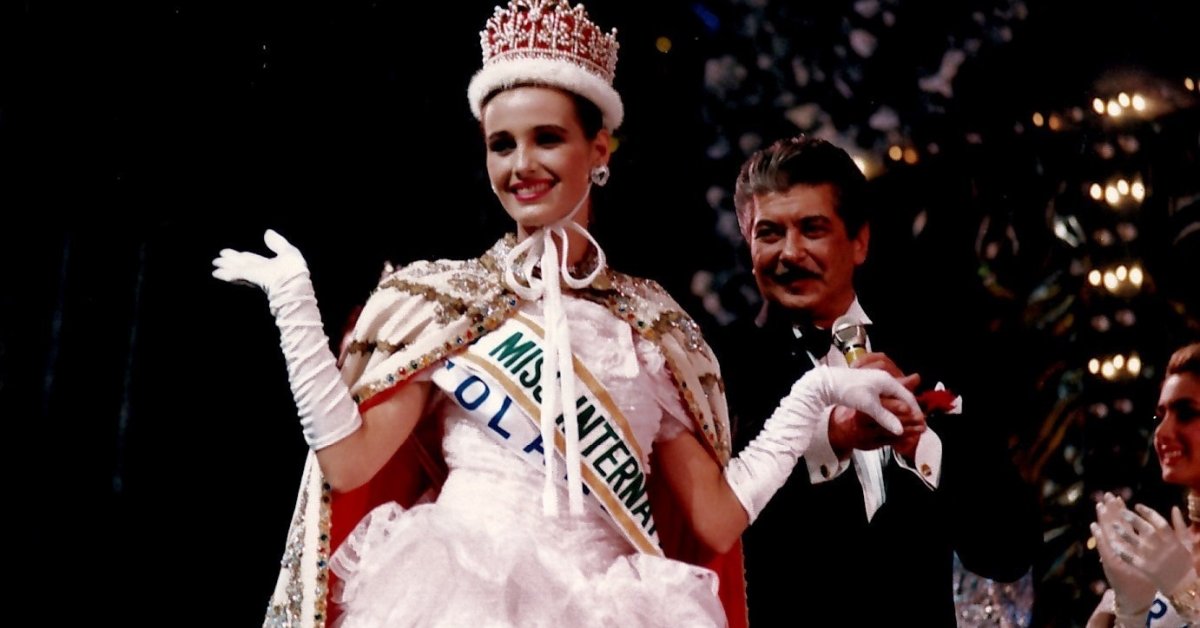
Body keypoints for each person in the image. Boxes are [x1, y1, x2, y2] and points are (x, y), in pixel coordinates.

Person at [212, 4, 921, 627]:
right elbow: (346, 463)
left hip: (615, 606)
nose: (521, 164)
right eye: (502, 144)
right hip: (455, 594)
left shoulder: (653, 327)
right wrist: (293, 307)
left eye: (547, 138)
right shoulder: (444, 303)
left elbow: (716, 520)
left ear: (598, 149)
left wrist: (813, 395)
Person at [712, 134, 1041, 627]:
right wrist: (830, 437)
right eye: (770, 233)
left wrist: (921, 445)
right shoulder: (719, 368)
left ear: (859, 242)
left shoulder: (933, 352)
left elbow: (1009, 549)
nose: (790, 252)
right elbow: (715, 534)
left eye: (812, 229)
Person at [1089, 342, 1200, 628]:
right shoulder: (1160, 555)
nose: (1162, 432)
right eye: (1160, 416)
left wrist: (1188, 595)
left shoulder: (1169, 565)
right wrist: (1131, 611)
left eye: (1186, 413)